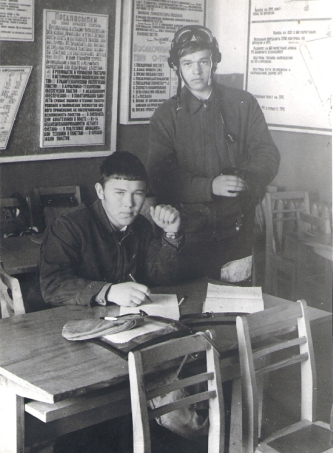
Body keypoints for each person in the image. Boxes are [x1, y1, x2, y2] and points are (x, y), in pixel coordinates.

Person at [147, 25, 280, 283]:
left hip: (238, 233)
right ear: (176, 67)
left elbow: (268, 153)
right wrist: (209, 187)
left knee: (238, 310)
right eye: (187, 63)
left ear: (213, 63)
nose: (196, 71)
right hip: (189, 235)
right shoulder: (165, 115)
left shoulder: (243, 103)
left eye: (203, 62)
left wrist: (247, 178)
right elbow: (160, 176)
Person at [28, 151, 187, 309]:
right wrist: (108, 292)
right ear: (100, 191)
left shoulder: (142, 226)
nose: (129, 203)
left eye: (138, 193)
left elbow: (162, 278)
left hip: (115, 317)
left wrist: (171, 234)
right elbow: (52, 286)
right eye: (119, 193)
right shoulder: (68, 225)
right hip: (59, 320)